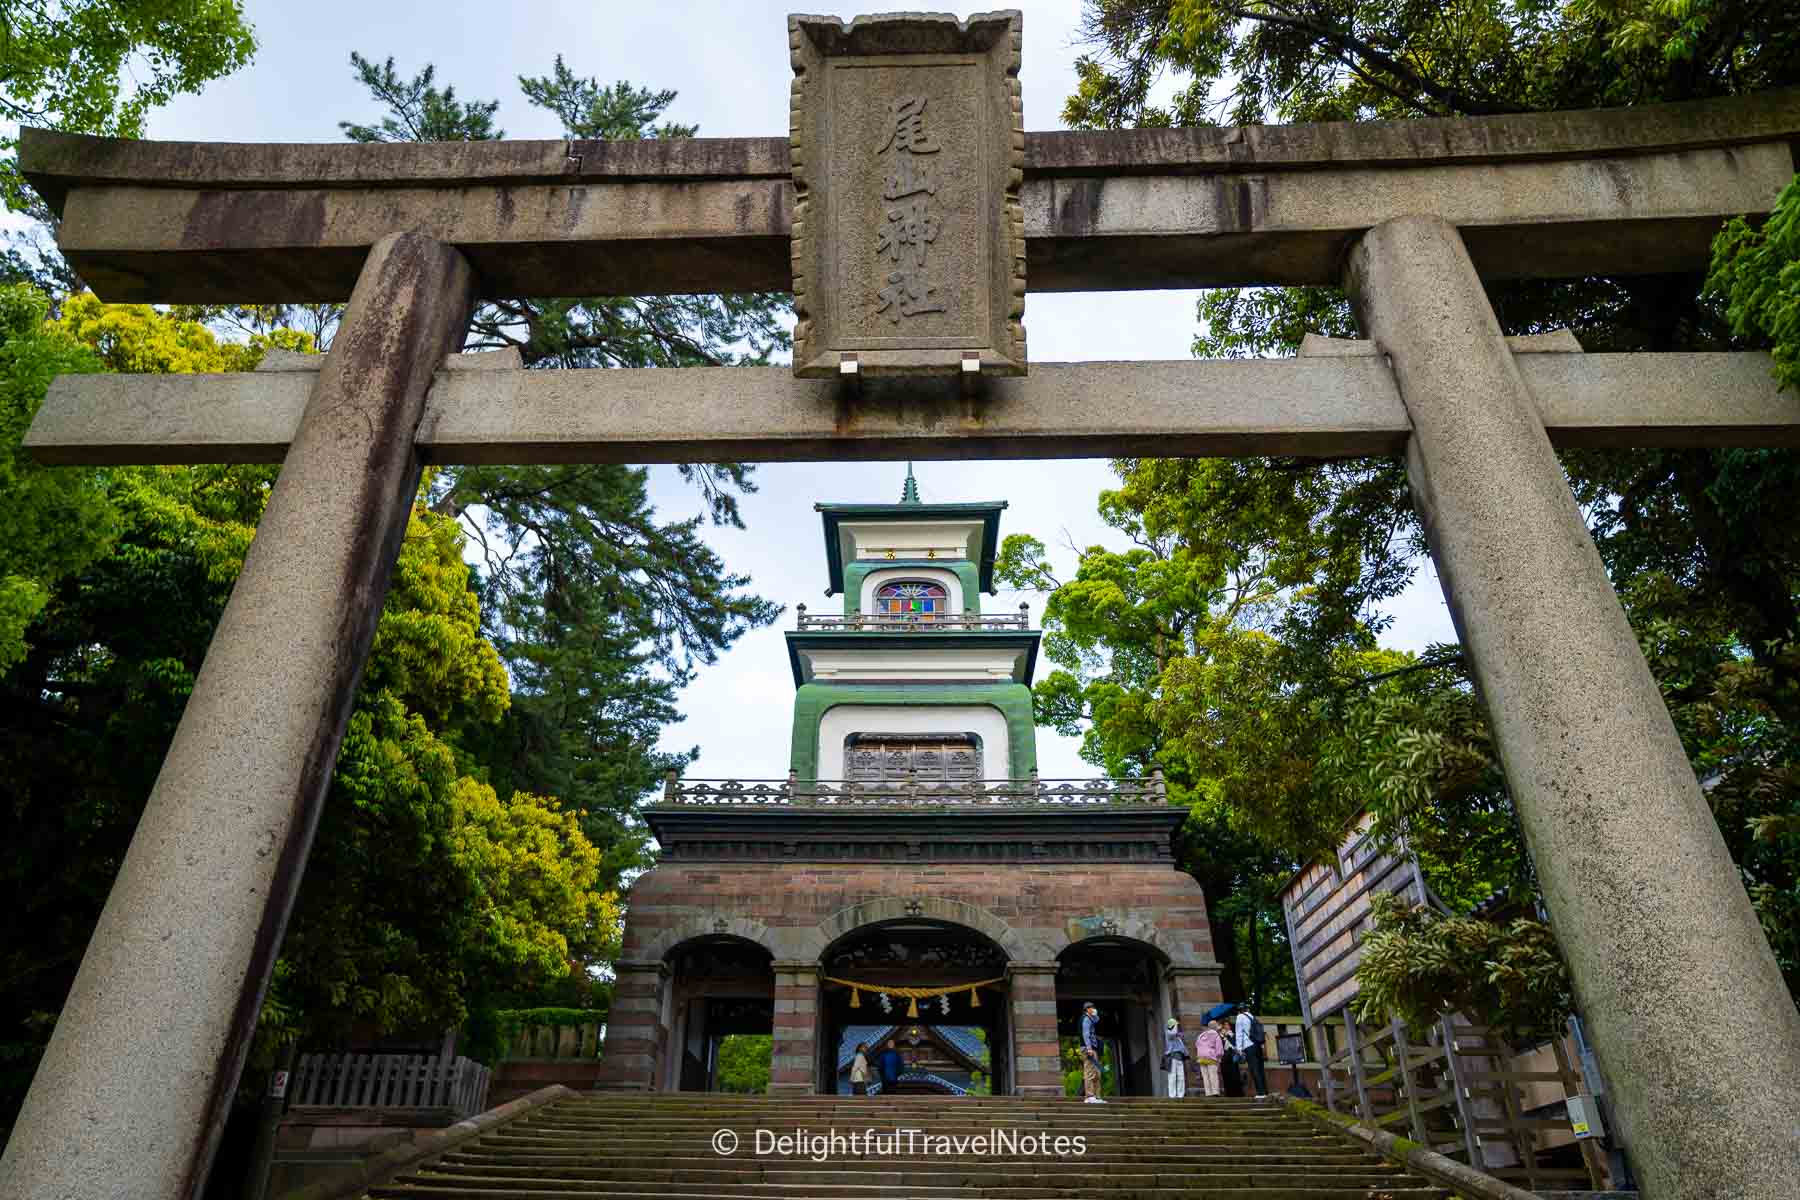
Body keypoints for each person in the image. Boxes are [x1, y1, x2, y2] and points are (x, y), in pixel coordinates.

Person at [1235, 1005, 1268, 1098]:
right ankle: (1265, 1091)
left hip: (1248, 1045)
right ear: (1247, 1009)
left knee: (1254, 1068)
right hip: (1257, 1045)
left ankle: (1260, 1093)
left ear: (1239, 1011)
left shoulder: (1240, 1017)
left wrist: (1239, 1048)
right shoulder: (1252, 1016)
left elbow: (1239, 1033)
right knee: (1260, 1068)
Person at [1079, 1001, 1105, 1103]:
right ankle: (1090, 1096)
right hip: (1088, 1049)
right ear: (1087, 1009)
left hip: (1093, 1048)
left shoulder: (1090, 1018)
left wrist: (1096, 1015)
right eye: (1092, 1008)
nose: (1093, 1009)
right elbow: (1085, 1033)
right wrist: (1089, 1048)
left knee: (1097, 1072)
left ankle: (1097, 1096)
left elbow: (1096, 1021)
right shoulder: (1085, 1019)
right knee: (1090, 1071)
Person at [1194, 1020, 1226, 1097]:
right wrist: (1219, 1057)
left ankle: (1208, 1093)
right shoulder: (1216, 1035)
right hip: (1211, 1057)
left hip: (1201, 1057)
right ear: (1215, 1027)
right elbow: (1219, 1048)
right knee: (1213, 1075)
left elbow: (1197, 1044)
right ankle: (1215, 1092)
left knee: (1205, 1076)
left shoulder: (1201, 1035)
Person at [1161, 1017, 1188, 1098]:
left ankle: (1180, 1095)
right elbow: (1173, 1033)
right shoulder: (1168, 1032)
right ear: (1172, 1026)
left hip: (1179, 1057)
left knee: (1181, 1077)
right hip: (1172, 1057)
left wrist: (1186, 1054)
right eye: (1176, 1025)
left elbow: (1183, 1047)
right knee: (1172, 1077)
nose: (1177, 1027)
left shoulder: (1177, 1036)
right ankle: (1172, 1095)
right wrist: (1176, 1025)